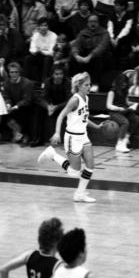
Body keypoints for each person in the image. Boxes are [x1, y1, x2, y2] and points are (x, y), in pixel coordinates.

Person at [38, 72, 102, 203]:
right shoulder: (75, 99)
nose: (89, 87)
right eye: (86, 85)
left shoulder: (86, 98)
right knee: (74, 172)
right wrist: (57, 133)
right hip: (72, 138)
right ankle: (52, 155)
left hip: (83, 136)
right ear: (79, 86)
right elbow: (61, 115)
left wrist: (96, 126)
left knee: (90, 166)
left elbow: (83, 118)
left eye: (89, 84)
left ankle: (80, 194)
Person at [106, 72, 139, 152]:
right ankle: (119, 143)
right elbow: (108, 105)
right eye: (122, 83)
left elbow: (126, 102)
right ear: (118, 82)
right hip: (114, 112)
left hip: (124, 110)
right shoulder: (112, 91)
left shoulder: (125, 91)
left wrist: (134, 104)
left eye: (125, 83)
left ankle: (126, 137)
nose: (124, 85)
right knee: (125, 122)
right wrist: (118, 108)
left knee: (136, 119)